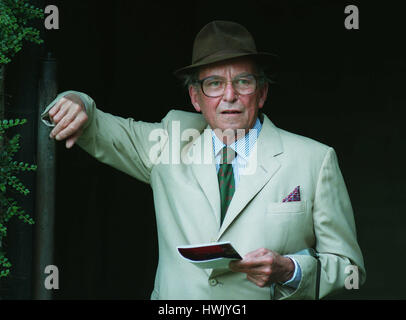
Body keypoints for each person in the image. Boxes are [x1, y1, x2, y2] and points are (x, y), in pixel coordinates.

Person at [41, 20, 365, 299]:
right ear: (196, 98)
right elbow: (95, 125)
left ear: (262, 93)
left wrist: (291, 270)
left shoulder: (314, 159)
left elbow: (349, 269)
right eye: (214, 83)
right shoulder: (167, 144)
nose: (229, 96)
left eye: (243, 81)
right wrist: (75, 100)